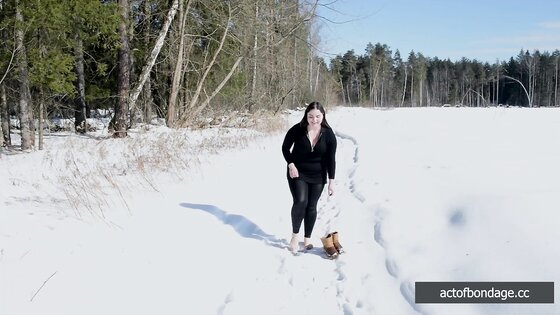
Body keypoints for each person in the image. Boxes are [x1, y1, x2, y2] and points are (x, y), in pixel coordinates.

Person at [281, 101, 337, 253]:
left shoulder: (329, 134)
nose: (314, 120)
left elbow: (331, 159)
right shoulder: (297, 129)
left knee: (311, 206)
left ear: (323, 116)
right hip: (297, 171)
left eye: (318, 116)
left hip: (318, 174)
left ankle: (307, 238)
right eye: (311, 116)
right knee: (300, 201)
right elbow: (285, 148)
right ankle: (295, 236)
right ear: (306, 116)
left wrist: (331, 182)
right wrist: (290, 164)